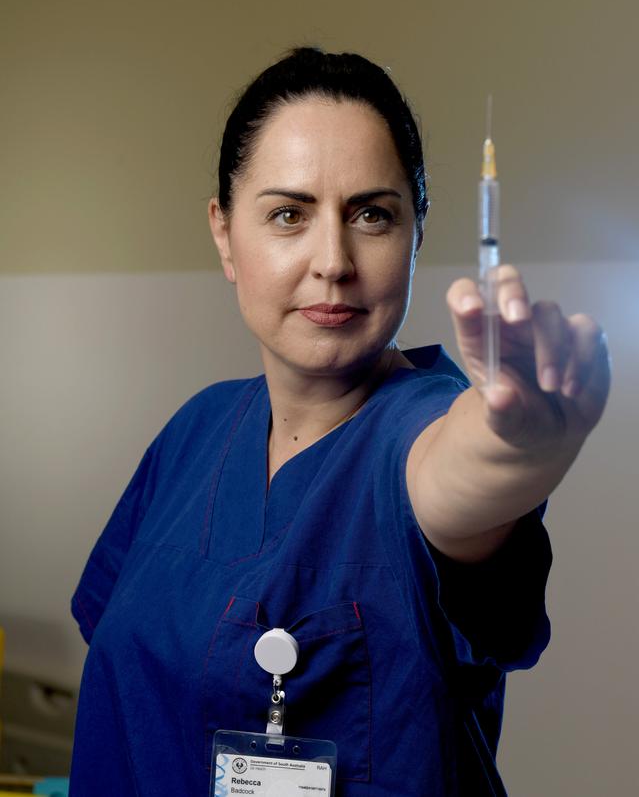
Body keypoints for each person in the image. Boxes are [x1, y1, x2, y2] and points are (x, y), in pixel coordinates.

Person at [69, 47, 610, 796]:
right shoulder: (195, 431)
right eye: (289, 214)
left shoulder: (418, 428)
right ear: (225, 234)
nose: (333, 259)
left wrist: (517, 448)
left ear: (416, 232)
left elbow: (460, 477)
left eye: (372, 214)